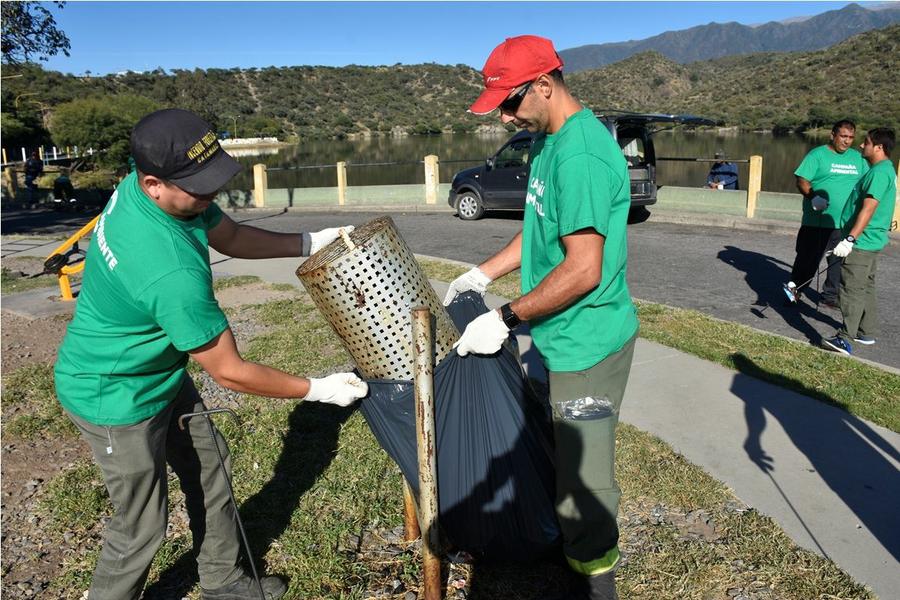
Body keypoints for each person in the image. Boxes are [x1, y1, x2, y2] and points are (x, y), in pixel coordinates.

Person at [53, 108, 368, 600]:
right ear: (154, 182)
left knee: (210, 468)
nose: (211, 194)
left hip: (158, 374)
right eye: (200, 187)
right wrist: (318, 389)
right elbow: (231, 373)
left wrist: (307, 242)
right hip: (112, 394)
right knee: (140, 526)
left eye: (213, 178)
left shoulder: (148, 190)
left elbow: (233, 236)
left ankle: (223, 581)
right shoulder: (168, 268)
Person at [443, 36, 638, 600]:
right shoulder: (549, 142)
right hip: (556, 335)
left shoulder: (579, 154)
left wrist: (504, 319)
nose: (504, 115)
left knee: (586, 478)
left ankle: (595, 577)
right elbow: (539, 230)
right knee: (550, 444)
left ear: (545, 85)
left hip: (588, 340)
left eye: (510, 102)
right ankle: (567, 543)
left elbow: (582, 271)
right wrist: (482, 273)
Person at [822, 128, 896, 356]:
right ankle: (866, 331)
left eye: (866, 142)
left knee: (851, 288)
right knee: (867, 285)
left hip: (862, 242)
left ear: (879, 147)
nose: (861, 146)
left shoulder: (878, 173)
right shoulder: (884, 170)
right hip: (872, 240)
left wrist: (850, 239)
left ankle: (845, 338)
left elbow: (869, 207)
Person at [783, 119, 868, 308]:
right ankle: (793, 292)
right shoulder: (817, 155)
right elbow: (802, 180)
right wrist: (813, 197)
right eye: (843, 136)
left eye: (851, 137)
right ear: (833, 135)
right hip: (816, 222)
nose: (846, 141)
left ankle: (830, 296)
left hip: (844, 224)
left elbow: (868, 183)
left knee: (837, 262)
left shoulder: (858, 158)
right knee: (807, 261)